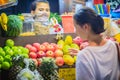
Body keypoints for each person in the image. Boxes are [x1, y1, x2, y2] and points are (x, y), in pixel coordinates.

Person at [69, 7, 119, 80]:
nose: (75, 31)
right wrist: (85, 54)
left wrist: (84, 55)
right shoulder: (114, 45)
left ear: (85, 27)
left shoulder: (84, 56)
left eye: (75, 27)